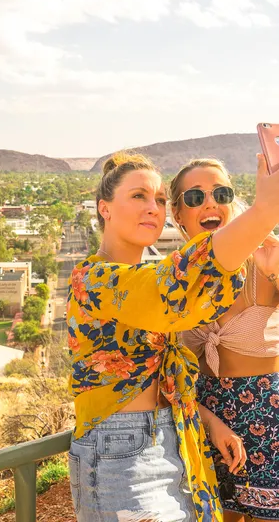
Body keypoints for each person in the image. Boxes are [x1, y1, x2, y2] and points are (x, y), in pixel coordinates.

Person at [67, 151, 279, 522]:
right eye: (138, 196)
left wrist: (209, 424)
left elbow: (163, 375)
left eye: (159, 199)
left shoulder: (148, 275)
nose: (153, 208)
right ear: (104, 208)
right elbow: (172, 290)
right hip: (122, 456)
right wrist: (262, 213)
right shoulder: (93, 281)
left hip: (177, 442)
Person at [171, 158, 279, 522]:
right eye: (195, 196)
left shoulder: (266, 256)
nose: (210, 202)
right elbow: (165, 372)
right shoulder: (170, 280)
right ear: (177, 213)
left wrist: (275, 270)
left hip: (270, 419)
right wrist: (204, 419)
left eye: (221, 193)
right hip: (203, 421)